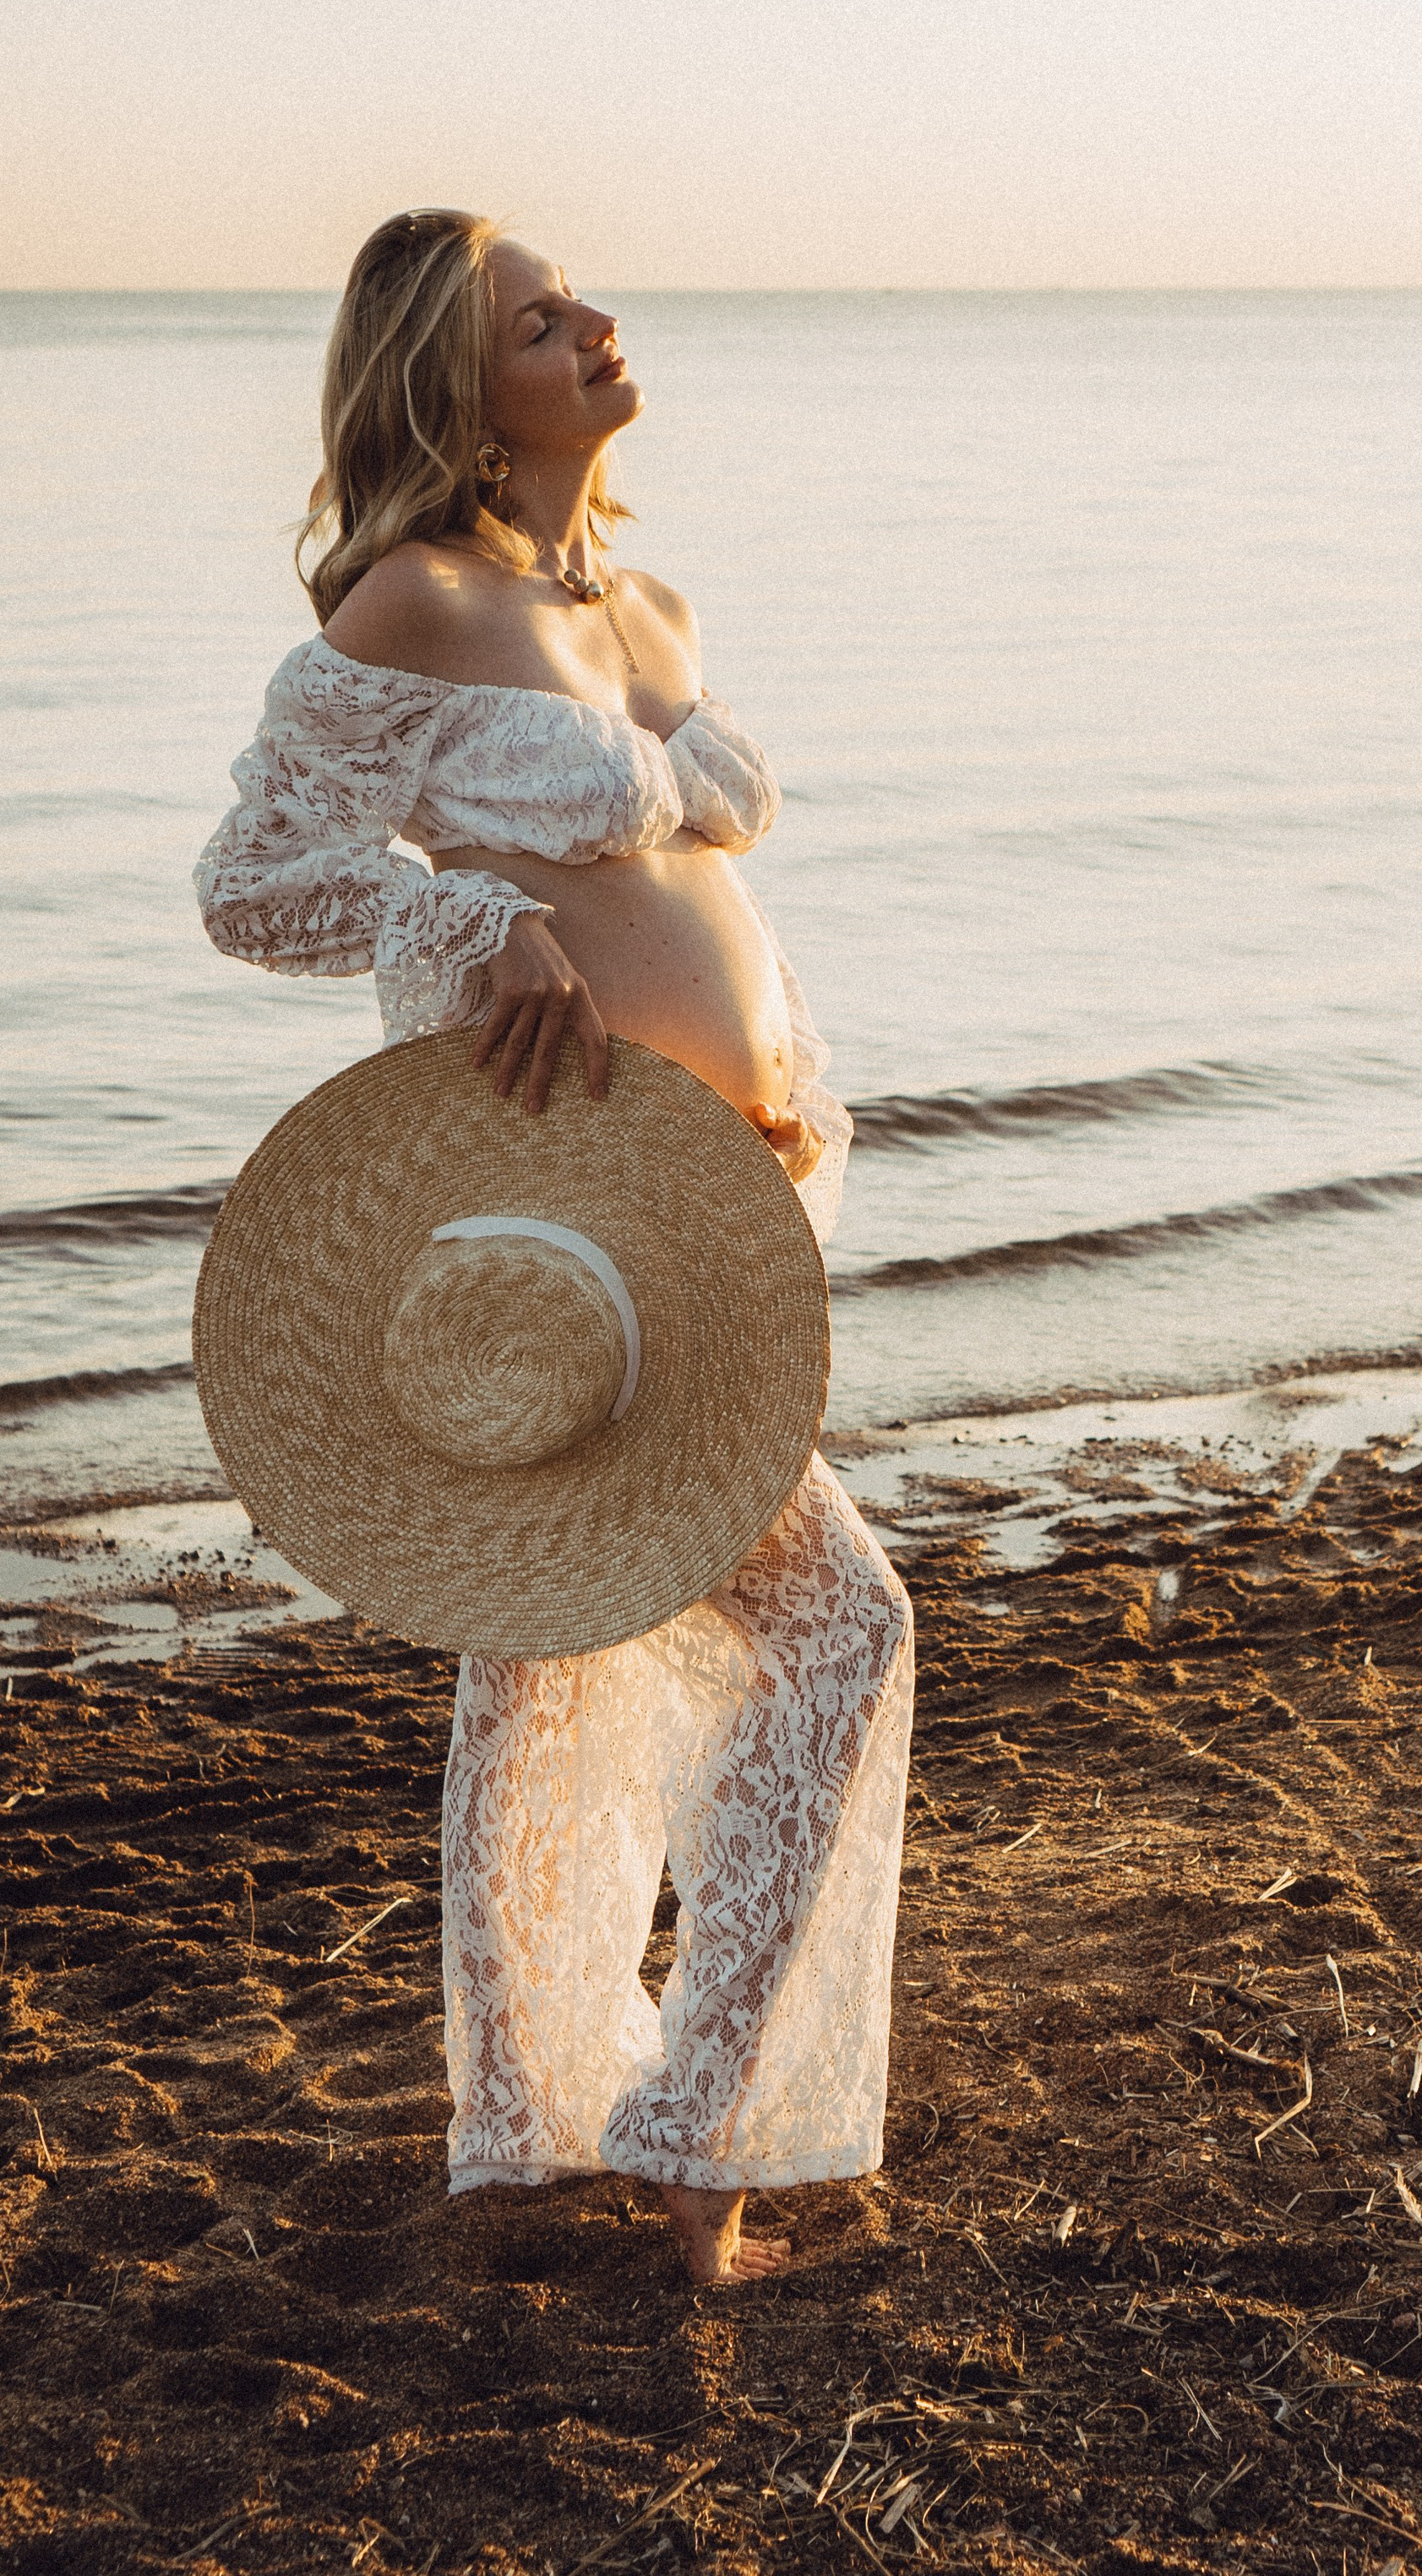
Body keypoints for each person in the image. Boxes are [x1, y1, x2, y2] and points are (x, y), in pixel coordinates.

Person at [194, 207, 913, 2282]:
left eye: (578, 302)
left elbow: (686, 887)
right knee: (840, 1632)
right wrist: (464, 917)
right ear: (456, 387)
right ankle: (699, 2147)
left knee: (558, 1649)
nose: (596, 324)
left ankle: (530, 2136)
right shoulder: (409, 600)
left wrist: (770, 1066)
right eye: (539, 320)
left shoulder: (645, 605)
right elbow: (256, 879)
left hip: (718, 1189)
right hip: (562, 1206)